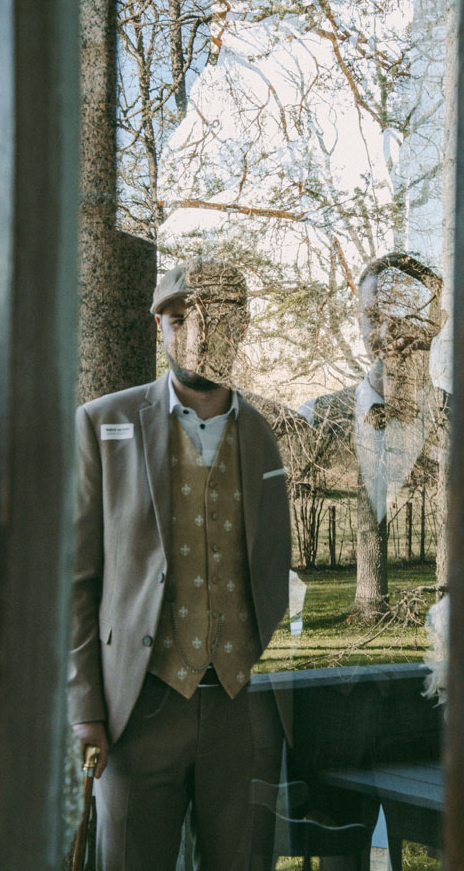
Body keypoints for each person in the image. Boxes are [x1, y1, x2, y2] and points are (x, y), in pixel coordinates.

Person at [68, 258, 291, 871]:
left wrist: (244, 656)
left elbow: (273, 565)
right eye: (179, 319)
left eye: (216, 319)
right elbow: (76, 583)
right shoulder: (103, 423)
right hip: (137, 711)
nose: (197, 333)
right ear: (159, 328)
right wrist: (87, 709)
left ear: (241, 328)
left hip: (234, 710)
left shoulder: (264, 436)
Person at [299, 252, 450, 614]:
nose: (385, 334)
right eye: (372, 318)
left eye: (402, 318)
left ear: (435, 324)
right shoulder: (314, 416)